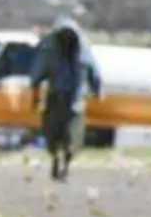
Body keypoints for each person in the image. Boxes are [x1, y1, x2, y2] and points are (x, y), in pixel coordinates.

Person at [31, 16, 103, 182]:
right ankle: (57, 160)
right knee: (54, 134)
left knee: (71, 136)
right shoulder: (51, 51)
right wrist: (35, 96)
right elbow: (37, 75)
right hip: (56, 98)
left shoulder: (83, 52)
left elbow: (95, 73)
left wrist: (97, 92)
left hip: (74, 101)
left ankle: (65, 165)